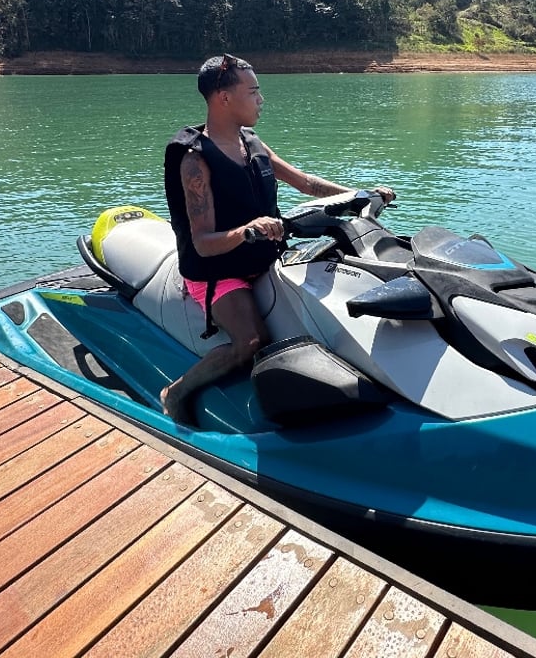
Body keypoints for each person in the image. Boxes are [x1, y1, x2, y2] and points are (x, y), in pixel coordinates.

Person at [161, 53, 395, 421]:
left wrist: (357, 195)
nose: (261, 99)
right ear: (224, 98)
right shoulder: (195, 160)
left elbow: (306, 183)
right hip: (218, 271)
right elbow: (204, 242)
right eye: (253, 92)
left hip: (262, 257)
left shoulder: (250, 143)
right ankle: (176, 394)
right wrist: (246, 230)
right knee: (251, 342)